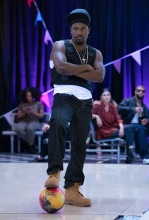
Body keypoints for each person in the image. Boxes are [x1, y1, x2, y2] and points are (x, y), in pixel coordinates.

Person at [44, 8, 105, 207]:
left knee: (80, 143)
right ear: (71, 30)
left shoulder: (95, 53)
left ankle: (72, 188)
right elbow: (61, 67)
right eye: (76, 28)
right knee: (59, 123)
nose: (79, 32)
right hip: (64, 95)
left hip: (86, 101)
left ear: (89, 31)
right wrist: (87, 68)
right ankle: (54, 172)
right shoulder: (60, 45)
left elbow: (99, 76)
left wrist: (75, 70)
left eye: (83, 29)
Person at [117, 85, 149, 163]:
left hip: (141, 128)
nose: (141, 92)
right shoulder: (127, 101)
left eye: (143, 91)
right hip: (128, 127)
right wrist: (133, 109)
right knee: (140, 128)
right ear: (135, 92)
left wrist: (147, 121)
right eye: (139, 90)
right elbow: (119, 108)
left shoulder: (144, 107)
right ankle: (145, 156)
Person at [92, 88, 135, 161]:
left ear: (110, 96)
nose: (106, 97)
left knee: (129, 130)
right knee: (128, 129)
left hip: (112, 129)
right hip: (103, 132)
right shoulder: (97, 106)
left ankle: (130, 154)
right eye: (104, 95)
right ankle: (131, 149)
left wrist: (121, 127)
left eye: (108, 95)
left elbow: (118, 118)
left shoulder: (112, 106)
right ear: (101, 97)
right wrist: (97, 116)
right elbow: (89, 114)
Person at [15, 87, 44, 153]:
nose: (29, 98)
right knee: (18, 128)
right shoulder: (21, 105)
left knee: (30, 128)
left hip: (35, 121)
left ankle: (30, 146)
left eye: (30, 96)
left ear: (33, 96)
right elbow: (19, 117)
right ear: (25, 96)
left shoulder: (38, 104)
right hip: (24, 121)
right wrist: (25, 113)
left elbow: (41, 116)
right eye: (27, 96)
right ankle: (32, 145)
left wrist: (34, 113)